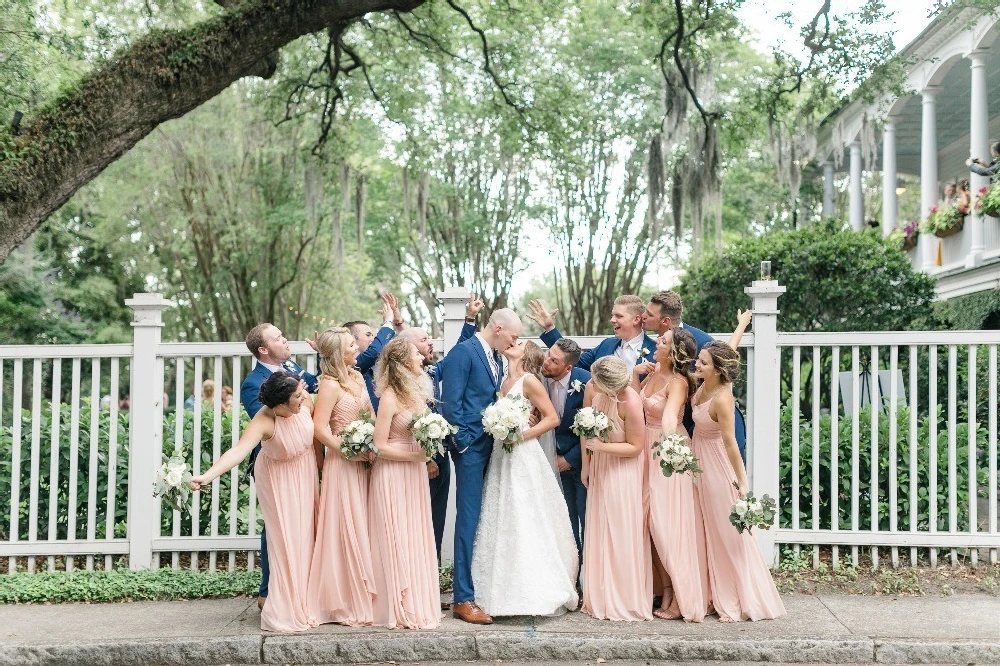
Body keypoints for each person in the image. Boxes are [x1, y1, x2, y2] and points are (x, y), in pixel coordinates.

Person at [191, 371, 318, 632]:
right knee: (285, 539)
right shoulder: (264, 418)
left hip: (304, 472)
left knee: (307, 534)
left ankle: (309, 599)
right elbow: (239, 451)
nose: (303, 399)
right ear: (280, 403)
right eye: (296, 396)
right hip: (278, 480)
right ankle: (286, 602)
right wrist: (207, 476)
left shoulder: (303, 401)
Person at [472, 340, 579, 617]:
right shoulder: (501, 378)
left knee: (525, 514)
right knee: (501, 514)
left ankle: (534, 586)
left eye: (518, 342)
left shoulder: (530, 381)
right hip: (500, 455)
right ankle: (498, 588)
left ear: (527, 353)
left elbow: (552, 418)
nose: (511, 343)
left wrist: (519, 435)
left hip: (522, 453)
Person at [690, 310, 785, 622]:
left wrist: (742, 482)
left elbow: (730, 443)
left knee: (726, 532)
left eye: (702, 362)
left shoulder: (722, 399)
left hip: (717, 466)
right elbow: (728, 351)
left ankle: (735, 597)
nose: (697, 364)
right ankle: (709, 594)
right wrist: (742, 325)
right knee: (703, 529)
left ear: (716, 371)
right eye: (699, 360)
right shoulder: (701, 381)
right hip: (697, 459)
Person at [440, 308, 522, 625]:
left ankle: (483, 589)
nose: (515, 342)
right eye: (514, 336)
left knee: (487, 519)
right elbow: (451, 403)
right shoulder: (464, 352)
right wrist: (464, 444)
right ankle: (462, 598)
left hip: (492, 445)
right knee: (469, 519)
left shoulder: (495, 357)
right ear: (498, 328)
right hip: (472, 449)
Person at [398, 293, 481, 565]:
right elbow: (409, 424)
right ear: (407, 349)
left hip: (440, 457)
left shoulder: (429, 373)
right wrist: (430, 458)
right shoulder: (403, 383)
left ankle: (430, 581)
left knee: (437, 519)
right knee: (422, 520)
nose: (430, 341)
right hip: (421, 460)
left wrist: (469, 320)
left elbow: (457, 354)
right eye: (423, 339)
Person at [240, 323, 319, 609]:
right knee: (277, 526)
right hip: (278, 462)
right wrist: (298, 396)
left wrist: (321, 358)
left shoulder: (291, 365)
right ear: (263, 349)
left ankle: (302, 587)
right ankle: (268, 590)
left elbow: (317, 382)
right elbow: (268, 419)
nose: (285, 339)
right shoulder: (253, 382)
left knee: (304, 523)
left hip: (304, 457)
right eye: (277, 338)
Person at [631, 328, 708, 622]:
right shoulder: (650, 375)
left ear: (673, 351)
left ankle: (681, 596)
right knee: (649, 524)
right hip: (644, 450)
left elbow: (668, 417)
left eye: (661, 341)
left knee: (667, 525)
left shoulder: (677, 383)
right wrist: (635, 375)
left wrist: (666, 446)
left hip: (668, 452)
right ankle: (664, 591)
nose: (655, 343)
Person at [368, 338, 441, 629]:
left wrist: (428, 455)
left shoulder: (418, 393)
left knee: (415, 533)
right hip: (393, 473)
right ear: (402, 362)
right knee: (396, 535)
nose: (422, 358)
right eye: (416, 354)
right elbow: (379, 446)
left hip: (414, 474)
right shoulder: (389, 397)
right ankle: (396, 604)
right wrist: (415, 459)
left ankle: (417, 599)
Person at [307, 328, 376, 626]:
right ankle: (342, 600)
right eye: (352, 344)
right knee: (344, 527)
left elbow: (371, 416)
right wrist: (347, 450)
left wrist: (373, 443)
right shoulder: (330, 385)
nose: (357, 346)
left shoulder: (358, 378)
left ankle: (366, 591)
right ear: (339, 352)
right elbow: (319, 429)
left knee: (364, 523)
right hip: (342, 463)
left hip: (365, 462)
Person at [580, 357, 652, 622]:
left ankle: (622, 597)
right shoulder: (597, 394)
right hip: (600, 467)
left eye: (595, 380)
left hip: (622, 472)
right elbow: (585, 431)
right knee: (600, 528)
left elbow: (636, 447)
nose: (591, 383)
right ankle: (600, 593)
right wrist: (586, 465)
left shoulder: (631, 402)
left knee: (620, 530)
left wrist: (601, 448)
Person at [642, 290, 747, 461]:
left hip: (718, 424)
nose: (643, 316)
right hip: (693, 430)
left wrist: (741, 325)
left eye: (649, 313)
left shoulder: (701, 341)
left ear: (666, 320)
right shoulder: (658, 349)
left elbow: (727, 355)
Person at [540, 337, 591, 561]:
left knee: (585, 519)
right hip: (549, 463)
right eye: (548, 355)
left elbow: (593, 429)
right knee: (564, 523)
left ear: (568, 367)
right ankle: (571, 576)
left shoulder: (586, 382)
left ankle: (587, 578)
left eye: (554, 361)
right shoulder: (537, 380)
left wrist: (569, 459)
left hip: (581, 465)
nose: (546, 362)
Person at [529, 295, 655, 373]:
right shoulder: (607, 344)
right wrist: (550, 328)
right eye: (612, 315)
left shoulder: (655, 350)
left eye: (619, 316)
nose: (612, 320)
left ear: (636, 319)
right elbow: (574, 361)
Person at [343, 292, 404, 410]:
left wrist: (398, 320)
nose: (373, 339)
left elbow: (407, 345)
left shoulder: (379, 362)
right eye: (368, 335)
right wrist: (388, 321)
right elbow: (374, 351)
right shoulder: (350, 364)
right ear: (351, 339)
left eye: (373, 335)